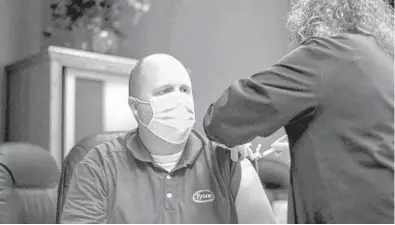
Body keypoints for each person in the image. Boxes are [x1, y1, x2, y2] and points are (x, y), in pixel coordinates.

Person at [203, 0, 394, 223]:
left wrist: (231, 133)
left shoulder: (326, 55)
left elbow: (225, 117)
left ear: (311, 18)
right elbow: (365, 144)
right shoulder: (382, 61)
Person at [60, 54, 275, 223]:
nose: (178, 99)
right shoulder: (99, 166)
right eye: (164, 92)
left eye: (184, 90)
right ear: (135, 107)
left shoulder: (228, 161)